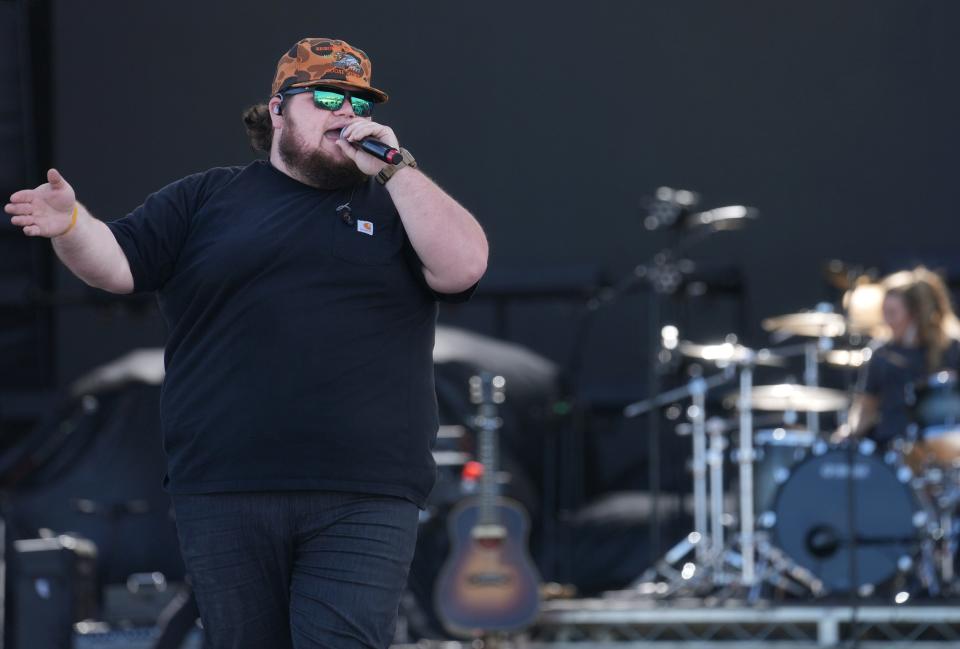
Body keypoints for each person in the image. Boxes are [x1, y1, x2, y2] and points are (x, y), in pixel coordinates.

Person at [5, 37, 488, 649]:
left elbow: (465, 266)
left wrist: (396, 168)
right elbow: (117, 263)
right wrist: (71, 225)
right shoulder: (207, 197)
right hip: (224, 485)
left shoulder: (398, 203)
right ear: (279, 109)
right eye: (327, 97)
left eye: (358, 101)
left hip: (365, 489)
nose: (346, 111)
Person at [847, 266, 960, 445]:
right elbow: (865, 408)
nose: (887, 321)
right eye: (884, 313)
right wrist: (845, 436)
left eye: (893, 313)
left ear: (916, 315)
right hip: (891, 449)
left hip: (944, 448)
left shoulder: (952, 348)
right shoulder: (880, 353)